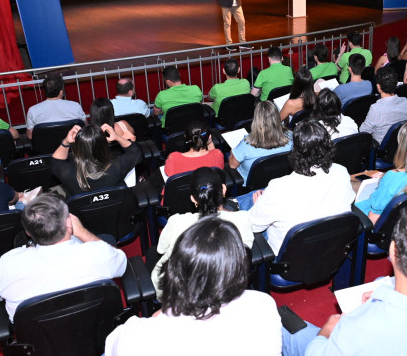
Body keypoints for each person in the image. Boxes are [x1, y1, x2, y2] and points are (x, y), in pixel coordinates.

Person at [282, 209, 407, 356]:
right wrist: (384, 292)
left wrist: (327, 331)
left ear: (392, 250)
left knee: (279, 324)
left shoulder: (363, 327)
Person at [107, 217, 281, 356]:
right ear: (239, 266)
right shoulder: (263, 304)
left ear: (175, 269)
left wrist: (160, 316)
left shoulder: (139, 337)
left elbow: (111, 346)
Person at [0, 193, 127, 322]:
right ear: (69, 223)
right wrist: (82, 232)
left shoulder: (6, 265)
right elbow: (121, 262)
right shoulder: (98, 254)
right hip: (95, 329)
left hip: (40, 343)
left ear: (28, 232)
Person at [247, 120, 355, 254]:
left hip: (288, 257)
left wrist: (260, 205)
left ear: (295, 151)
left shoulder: (279, 187)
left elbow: (252, 225)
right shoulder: (342, 172)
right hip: (330, 248)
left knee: (246, 203)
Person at [150, 168, 254, 298]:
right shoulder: (243, 220)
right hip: (228, 286)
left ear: (193, 199)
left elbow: (161, 249)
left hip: (184, 292)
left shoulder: (176, 222)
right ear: (224, 189)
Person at [50, 124, 142, 196]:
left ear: (77, 148)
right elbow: (135, 152)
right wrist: (117, 137)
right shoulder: (117, 167)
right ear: (104, 146)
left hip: (82, 219)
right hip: (117, 215)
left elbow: (56, 162)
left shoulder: (69, 174)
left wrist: (66, 142)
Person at [229, 101, 292, 184]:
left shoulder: (246, 144)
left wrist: (232, 151)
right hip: (279, 181)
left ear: (256, 120)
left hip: (251, 186)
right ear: (277, 118)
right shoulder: (290, 137)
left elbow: (232, 165)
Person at [359, 67, 407, 144]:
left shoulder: (376, 109)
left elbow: (363, 132)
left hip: (380, 148)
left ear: (379, 87)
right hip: (402, 144)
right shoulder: (404, 101)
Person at [25, 74, 86, 140]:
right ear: (61, 92)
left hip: (45, 149)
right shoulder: (75, 106)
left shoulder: (33, 110)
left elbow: (30, 136)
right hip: (72, 146)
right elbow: (84, 128)